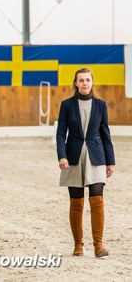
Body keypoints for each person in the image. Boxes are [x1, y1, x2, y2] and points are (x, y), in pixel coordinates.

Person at [56, 67, 115, 258]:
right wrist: (61, 156)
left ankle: (99, 245)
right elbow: (60, 133)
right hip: (73, 157)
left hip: (96, 156)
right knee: (76, 202)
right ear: (75, 83)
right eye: (81, 80)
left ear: (92, 82)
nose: (84, 83)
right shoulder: (66, 105)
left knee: (97, 200)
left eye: (87, 80)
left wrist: (110, 161)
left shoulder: (100, 105)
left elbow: (105, 133)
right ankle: (78, 245)